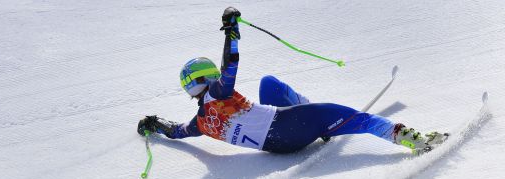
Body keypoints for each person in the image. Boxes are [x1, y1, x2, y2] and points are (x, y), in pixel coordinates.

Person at [137, 7, 447, 155]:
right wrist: (231, 30)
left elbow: (178, 132)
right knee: (361, 119)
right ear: (207, 78)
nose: (218, 77)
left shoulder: (201, 122)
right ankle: (414, 140)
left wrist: (156, 124)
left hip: (276, 146)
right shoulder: (219, 92)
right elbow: (231, 64)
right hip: (290, 128)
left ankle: (322, 126)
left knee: (268, 85)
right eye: (213, 75)